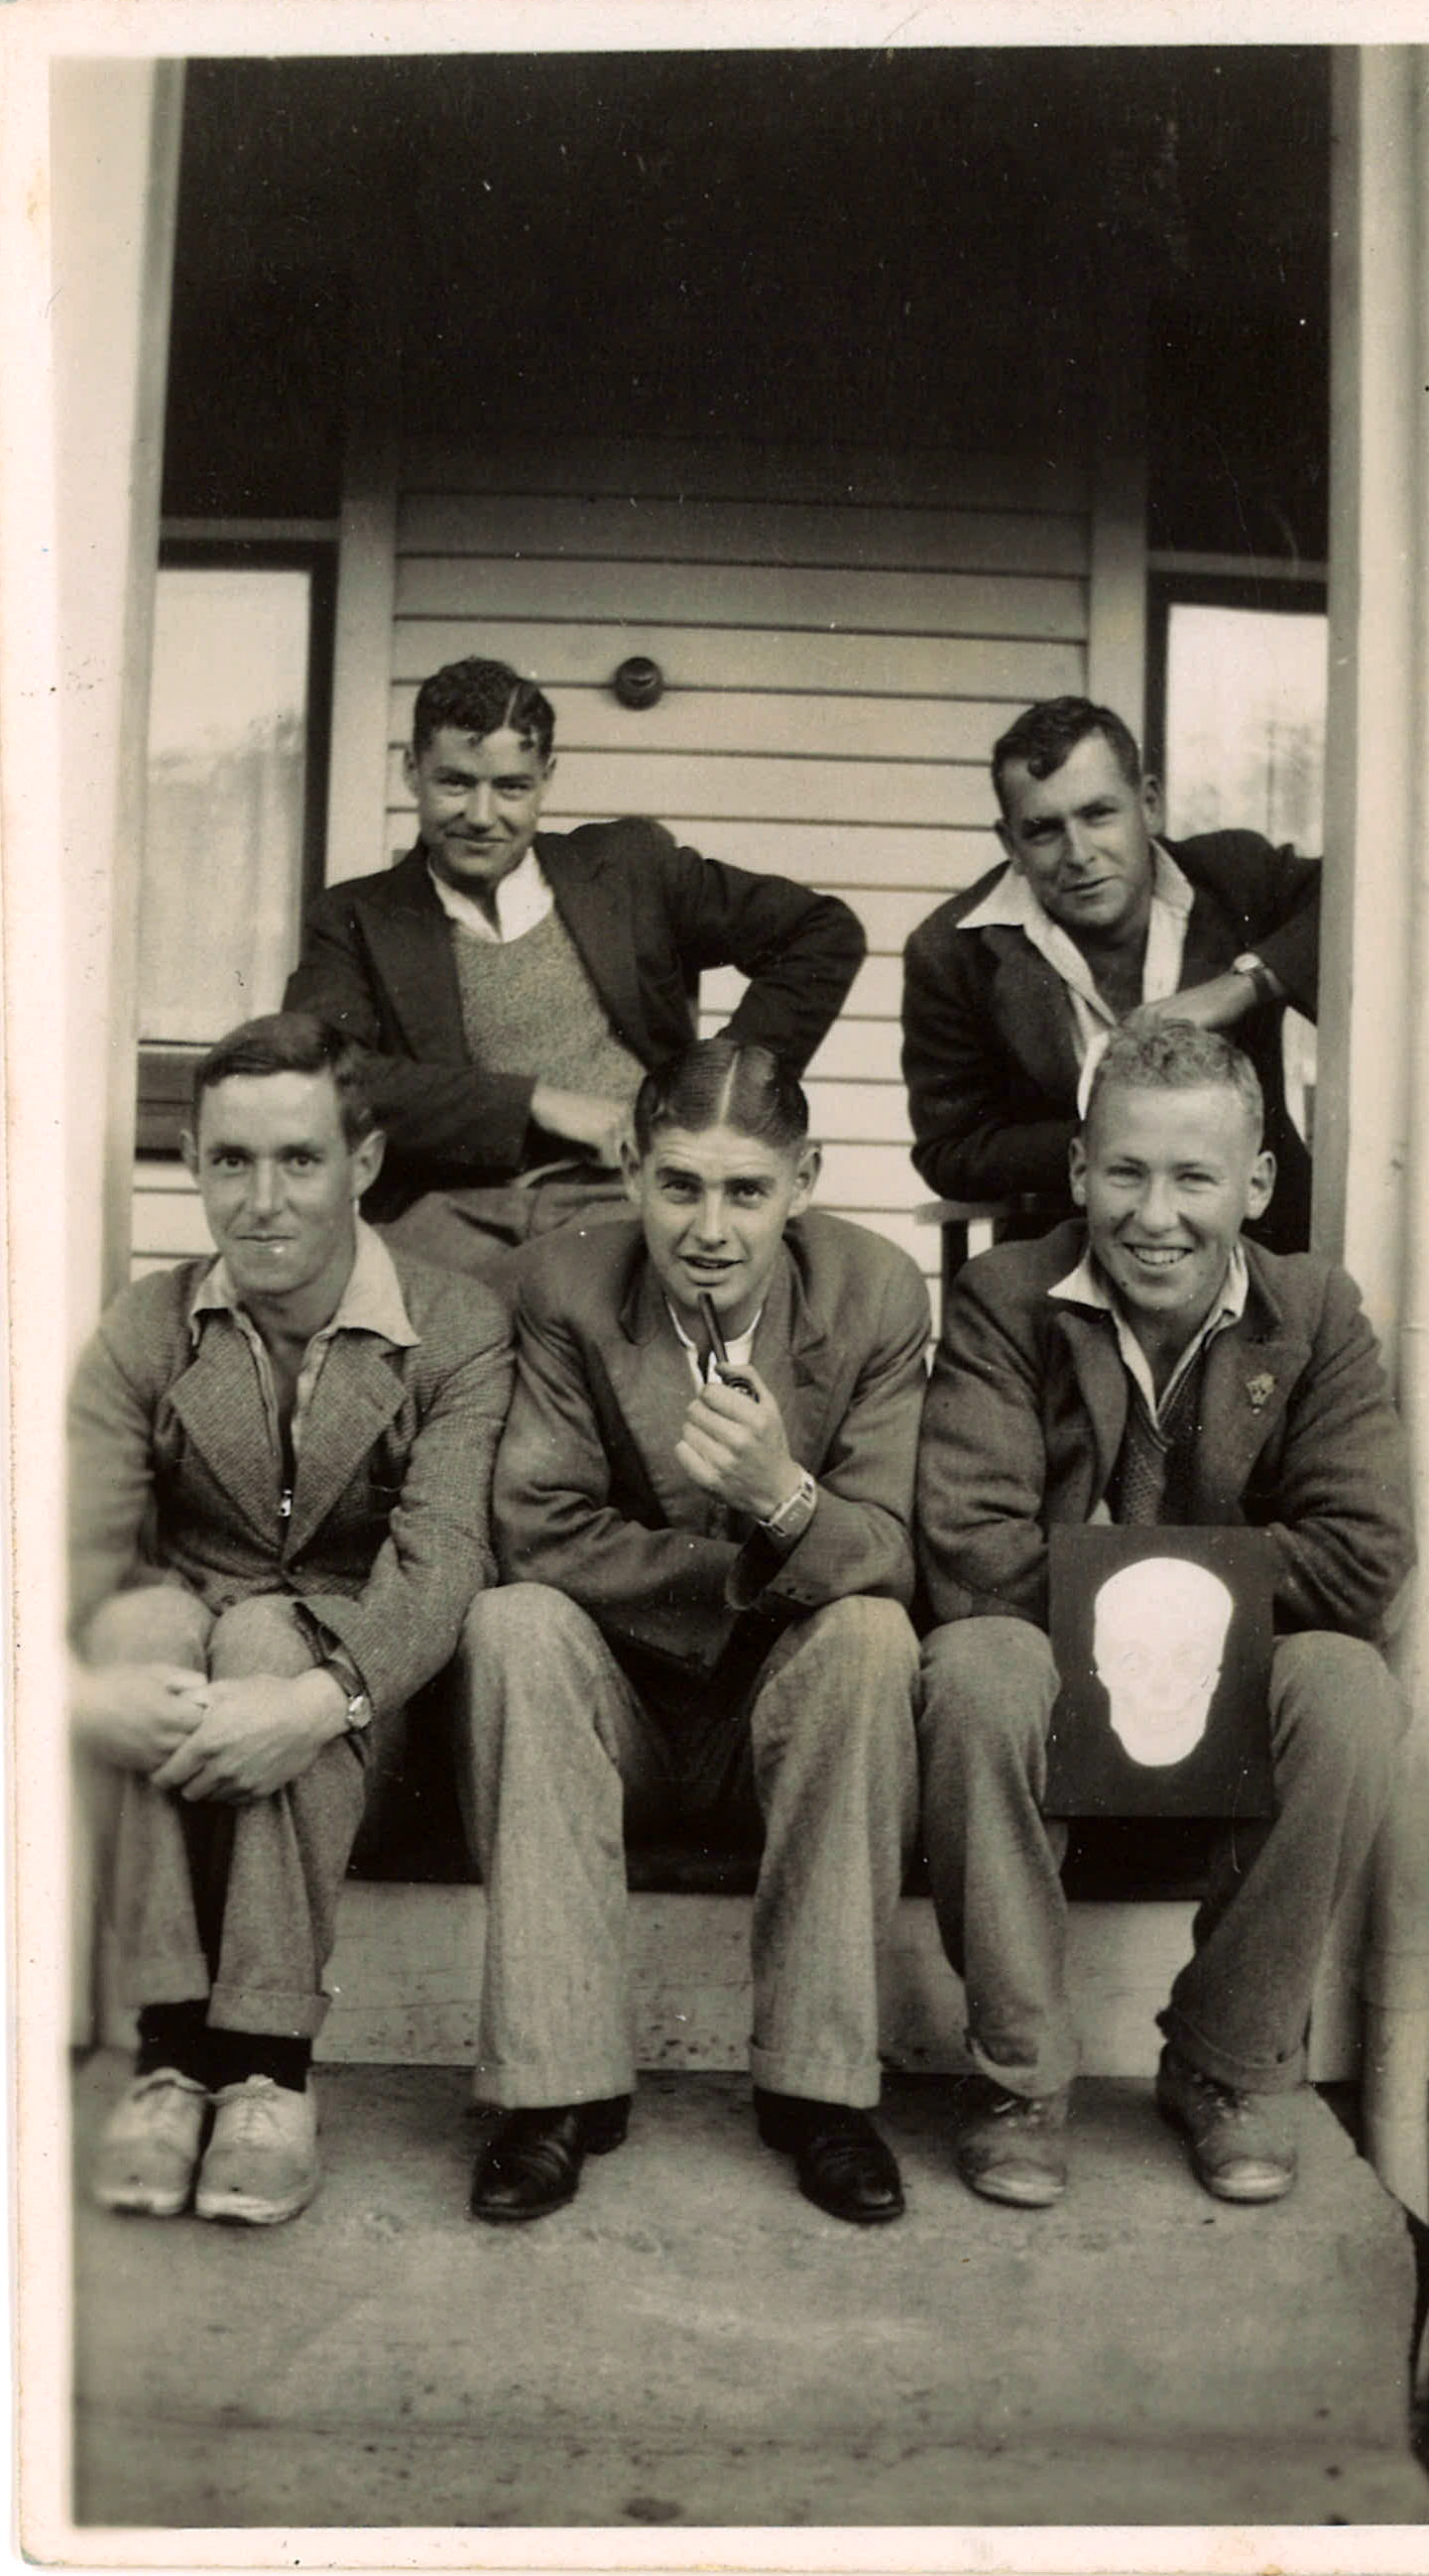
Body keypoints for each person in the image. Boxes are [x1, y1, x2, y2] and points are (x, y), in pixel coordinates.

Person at [914, 1023, 1412, 2210]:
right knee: (975, 1666)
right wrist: (1215, 1577)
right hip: (1052, 1689)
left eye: (1194, 1177)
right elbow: (968, 1548)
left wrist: (1126, 1581)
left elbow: (1361, 1556)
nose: (1154, 1215)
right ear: (1077, 1168)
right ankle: (1018, 2076)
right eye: (1125, 1172)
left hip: (1220, 1704)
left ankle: (1224, 2060)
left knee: (1346, 1687)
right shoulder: (1003, 1297)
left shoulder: (1314, 1311)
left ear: (1256, 1183)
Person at [457, 1039, 927, 2227]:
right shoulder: (564, 1284)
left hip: (784, 1711)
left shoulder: (873, 1291)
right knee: (514, 1623)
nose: (709, 1228)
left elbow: (886, 1547)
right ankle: (555, 2088)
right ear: (630, 1170)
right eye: (679, 1184)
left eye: (746, 1190)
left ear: (803, 1181)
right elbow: (538, 1528)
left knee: (871, 1636)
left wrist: (783, 1496)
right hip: (614, 1710)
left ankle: (818, 2089)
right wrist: (759, 1566)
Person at [69, 1013, 512, 2227]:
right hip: (188, 1694)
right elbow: (61, 1551)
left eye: (299, 1160)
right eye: (231, 1160)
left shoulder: (451, 1326)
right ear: (191, 1161)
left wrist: (319, 1699)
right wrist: (75, 1689)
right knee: (137, 1630)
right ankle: (171, 2057)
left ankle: (266, 2070)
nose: (262, 1202)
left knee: (273, 1636)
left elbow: (442, 1562)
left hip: (368, 1717)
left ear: (361, 1162)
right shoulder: (151, 1325)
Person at [283, 657, 867, 1287]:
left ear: (547, 779)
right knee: (419, 1315)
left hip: (625, 1197)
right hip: (455, 1214)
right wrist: (532, 1103)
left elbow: (822, 932)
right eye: (455, 783)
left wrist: (718, 1089)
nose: (481, 814)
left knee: (823, 1279)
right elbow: (324, 1075)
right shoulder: (355, 916)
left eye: (512, 787)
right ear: (410, 771)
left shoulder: (627, 870)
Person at [900, 696, 1320, 1251]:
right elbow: (950, 1150)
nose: (1078, 854)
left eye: (1099, 814)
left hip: (1260, 1248)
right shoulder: (952, 949)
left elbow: (1360, 901)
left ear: (1149, 805)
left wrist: (1241, 987)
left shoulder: (1238, 878)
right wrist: (1115, 1140)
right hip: (1068, 1258)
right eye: (1043, 830)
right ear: (1010, 844)